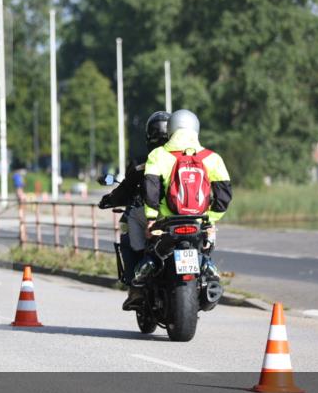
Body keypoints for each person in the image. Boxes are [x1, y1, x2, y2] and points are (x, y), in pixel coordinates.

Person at [134, 108, 232, 284]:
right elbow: (224, 195)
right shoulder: (212, 158)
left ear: (170, 129)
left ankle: (149, 265)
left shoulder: (159, 155)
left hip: (167, 219)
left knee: (153, 249)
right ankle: (207, 264)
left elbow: (151, 189)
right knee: (206, 246)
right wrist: (210, 218)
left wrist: (151, 218)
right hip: (199, 220)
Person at [99, 111, 170, 310]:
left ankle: (136, 287)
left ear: (149, 135)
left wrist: (109, 200)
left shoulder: (144, 164)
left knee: (127, 235)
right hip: (184, 215)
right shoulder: (185, 158)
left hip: (151, 215)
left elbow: (126, 189)